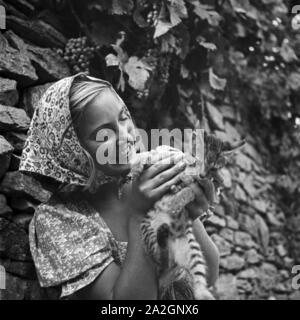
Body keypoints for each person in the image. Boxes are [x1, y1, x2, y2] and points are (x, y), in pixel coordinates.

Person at [19, 72, 219, 300]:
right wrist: (139, 215)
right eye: (103, 135)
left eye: (124, 117)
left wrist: (188, 218)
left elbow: (209, 276)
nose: (125, 136)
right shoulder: (58, 219)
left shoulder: (151, 182)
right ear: (72, 151)